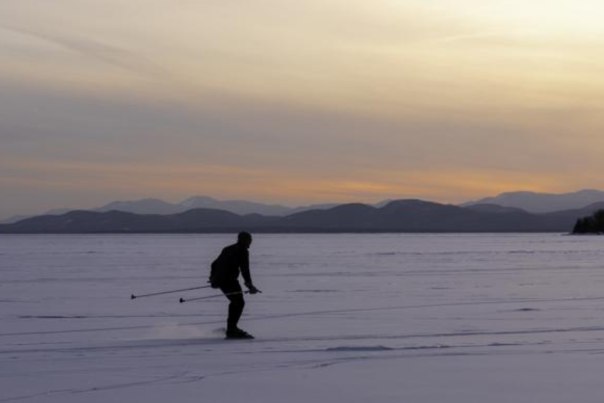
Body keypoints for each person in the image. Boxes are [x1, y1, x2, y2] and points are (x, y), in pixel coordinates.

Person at [209, 231, 260, 339]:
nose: (251, 241)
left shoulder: (227, 248)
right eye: (249, 239)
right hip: (229, 281)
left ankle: (232, 328)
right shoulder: (243, 251)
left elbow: (214, 264)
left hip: (221, 281)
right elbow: (245, 269)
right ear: (244, 240)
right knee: (238, 302)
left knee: (236, 302)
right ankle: (232, 330)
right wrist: (250, 285)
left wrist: (213, 279)